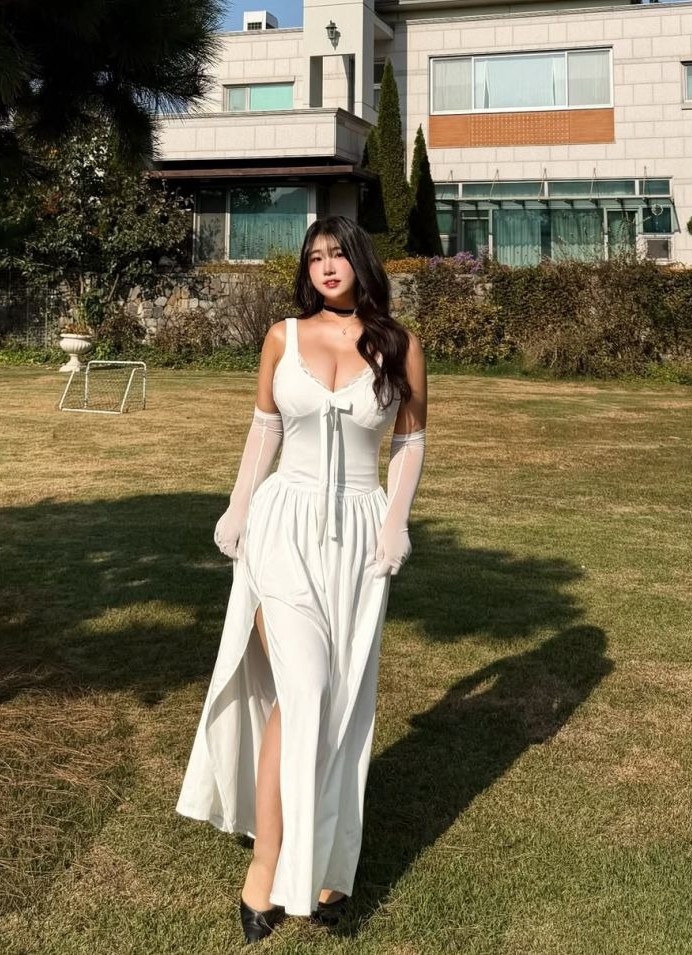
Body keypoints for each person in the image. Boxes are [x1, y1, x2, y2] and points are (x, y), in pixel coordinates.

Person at [176, 215, 427, 943]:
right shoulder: (282, 336)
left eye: (338, 253)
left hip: (359, 537)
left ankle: (326, 860)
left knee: (341, 701)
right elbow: (265, 427)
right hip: (282, 527)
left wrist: (396, 522)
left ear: (360, 262)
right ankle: (267, 866)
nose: (326, 266)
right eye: (315, 257)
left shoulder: (400, 344)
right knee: (305, 687)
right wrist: (238, 505)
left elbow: (410, 440)